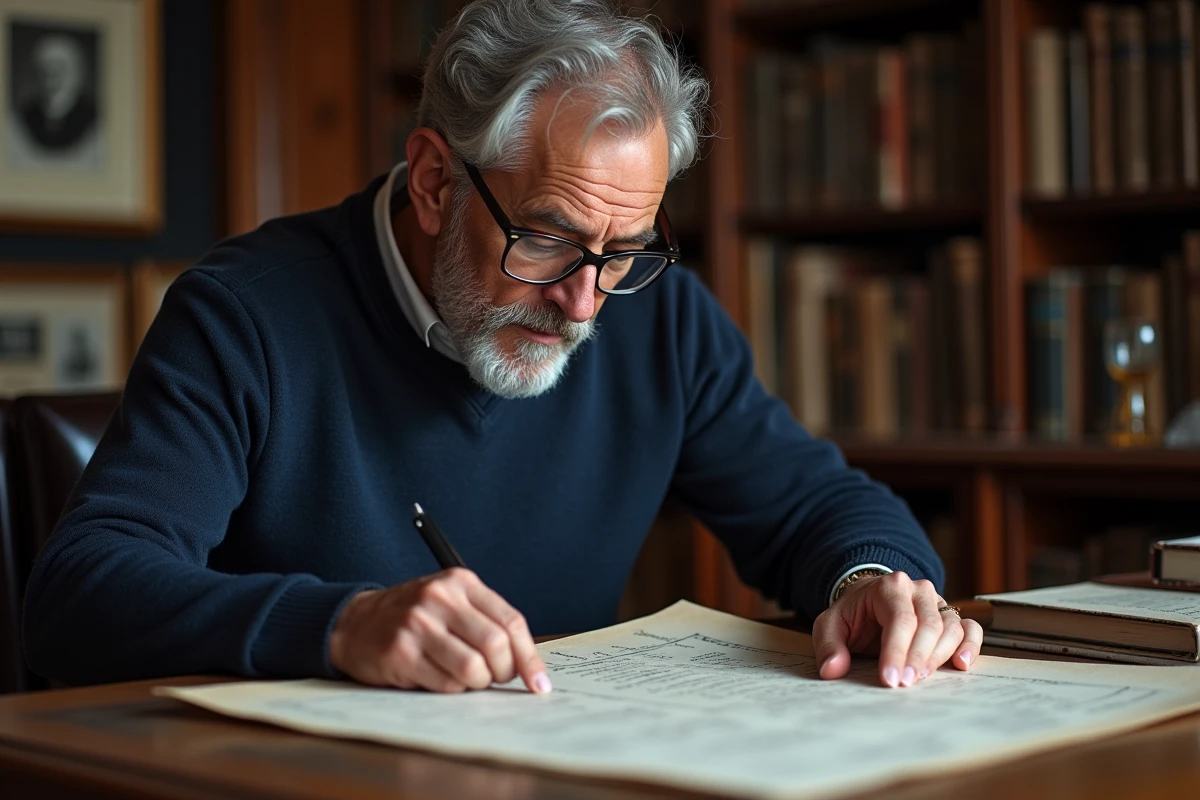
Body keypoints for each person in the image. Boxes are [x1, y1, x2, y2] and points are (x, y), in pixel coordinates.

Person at [24, 0, 982, 696]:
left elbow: (817, 503)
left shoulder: (660, 320)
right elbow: (81, 596)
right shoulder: (246, 317)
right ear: (437, 180)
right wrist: (341, 624)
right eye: (549, 238)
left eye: (623, 252)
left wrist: (870, 583)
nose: (581, 301)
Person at [18, 33, 97, 152]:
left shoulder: (91, 116)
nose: (52, 78)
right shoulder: (26, 115)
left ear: (77, 75)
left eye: (61, 68)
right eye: (45, 69)